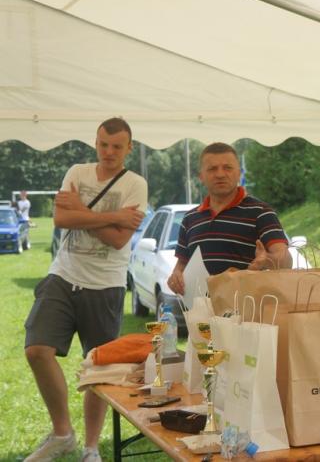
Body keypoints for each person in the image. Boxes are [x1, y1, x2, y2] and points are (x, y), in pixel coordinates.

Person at [24, 118, 147, 462]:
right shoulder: (77, 172)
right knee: (36, 350)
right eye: (103, 144)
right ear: (96, 142)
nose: (109, 152)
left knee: (98, 366)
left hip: (106, 284)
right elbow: (62, 220)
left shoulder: (136, 184)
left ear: (129, 148)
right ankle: (62, 433)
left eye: (117, 146)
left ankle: (91, 448)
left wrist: (81, 211)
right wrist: (112, 216)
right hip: (63, 275)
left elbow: (120, 240)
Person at [168, 142, 291, 295]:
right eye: (212, 169)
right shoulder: (189, 219)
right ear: (201, 177)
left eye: (227, 167)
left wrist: (267, 261)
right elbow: (181, 265)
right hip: (200, 309)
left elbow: (287, 262)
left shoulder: (261, 212)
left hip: (247, 308)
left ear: (239, 173)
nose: (220, 174)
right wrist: (176, 276)